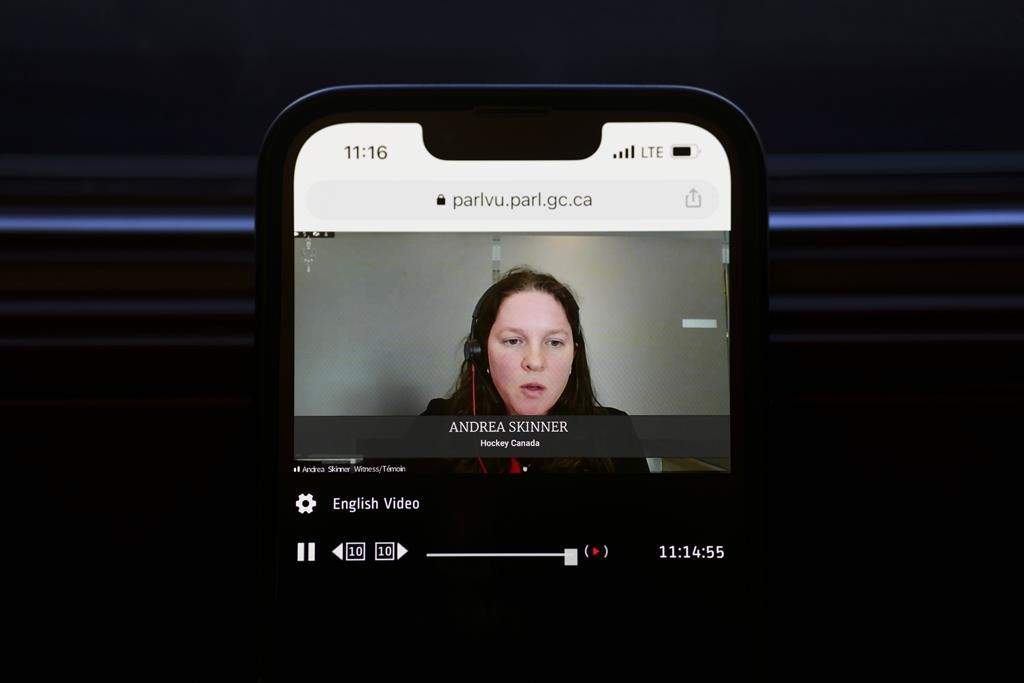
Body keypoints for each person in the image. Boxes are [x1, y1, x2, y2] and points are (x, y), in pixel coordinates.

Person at [419, 266, 649, 473]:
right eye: (513, 341)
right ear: (479, 353)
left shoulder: (614, 432)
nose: (535, 362)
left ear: (574, 355)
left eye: (554, 342)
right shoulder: (436, 426)